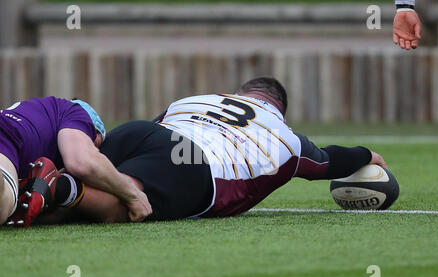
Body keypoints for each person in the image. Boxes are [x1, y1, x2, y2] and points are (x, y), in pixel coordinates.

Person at [26, 77, 387, 225]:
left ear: (239, 93)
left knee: (96, 175)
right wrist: (368, 156)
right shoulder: (286, 137)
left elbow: (153, 133)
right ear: (279, 109)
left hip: (145, 131)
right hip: (194, 162)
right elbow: (330, 159)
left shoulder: (196, 99)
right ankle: (60, 188)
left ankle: (32, 185)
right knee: (129, 205)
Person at [0, 97, 151, 227]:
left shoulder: (38, 115)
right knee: (3, 205)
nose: (95, 149)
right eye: (94, 144)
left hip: (9, 144)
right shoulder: (76, 113)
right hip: (8, 140)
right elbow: (81, 162)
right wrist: (134, 195)